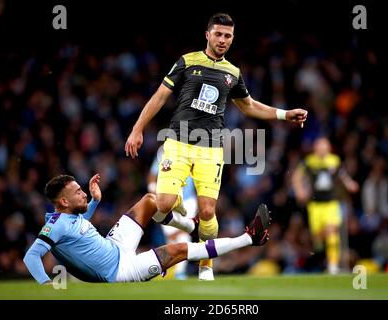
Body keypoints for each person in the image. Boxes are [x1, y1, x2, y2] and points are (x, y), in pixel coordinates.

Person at [124, 12, 307, 280]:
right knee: (162, 205)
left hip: (211, 148)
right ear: (207, 34)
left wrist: (284, 113)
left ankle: (205, 266)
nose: (222, 40)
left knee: (208, 210)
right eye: (218, 34)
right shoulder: (187, 61)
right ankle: (188, 224)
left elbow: (249, 106)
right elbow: (161, 95)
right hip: (177, 142)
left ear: (232, 39)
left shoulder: (233, 73)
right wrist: (137, 128)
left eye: (228, 36)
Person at [23, 174, 270, 284]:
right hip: (118, 271)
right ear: (63, 202)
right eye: (77, 191)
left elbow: (78, 225)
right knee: (179, 250)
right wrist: (46, 284)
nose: (82, 192)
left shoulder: (66, 219)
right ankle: (250, 238)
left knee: (151, 201)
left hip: (116, 245)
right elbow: (31, 255)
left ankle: (190, 224)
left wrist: (95, 201)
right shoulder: (53, 227)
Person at [292, 137, 359, 274]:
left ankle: (333, 266)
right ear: (315, 148)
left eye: (325, 146)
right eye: (320, 146)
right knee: (318, 239)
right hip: (315, 205)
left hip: (331, 204)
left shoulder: (334, 160)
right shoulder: (309, 161)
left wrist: (349, 184)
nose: (322, 149)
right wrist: (299, 190)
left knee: (332, 231)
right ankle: (322, 252)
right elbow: (296, 176)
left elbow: (342, 175)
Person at [148, 146, 198, 279]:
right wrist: (154, 191)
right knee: (172, 238)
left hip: (188, 201)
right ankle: (174, 270)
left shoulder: (192, 150)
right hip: (167, 200)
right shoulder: (164, 151)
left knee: (183, 234)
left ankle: (180, 272)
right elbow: (152, 176)